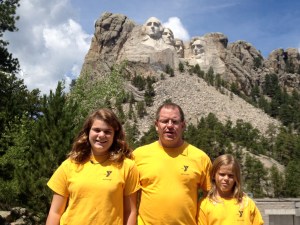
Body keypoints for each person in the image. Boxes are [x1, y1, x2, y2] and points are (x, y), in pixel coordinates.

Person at [46, 108, 140, 225]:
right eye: (97, 130)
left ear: (115, 135)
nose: (101, 135)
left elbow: (130, 211)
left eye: (107, 132)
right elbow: (55, 212)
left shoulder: (127, 166)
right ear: (88, 132)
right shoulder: (69, 165)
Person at [133, 102, 212, 225]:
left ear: (183, 125)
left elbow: (212, 199)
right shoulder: (138, 155)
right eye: (165, 121)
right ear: (156, 125)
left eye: (175, 122)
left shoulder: (200, 158)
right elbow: (128, 199)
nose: (169, 126)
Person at [198, 154, 264, 225]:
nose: (226, 178)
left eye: (230, 175)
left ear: (236, 178)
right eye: (222, 174)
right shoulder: (204, 205)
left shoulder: (247, 203)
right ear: (214, 175)